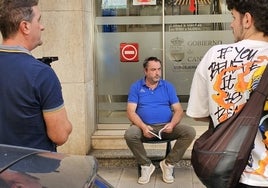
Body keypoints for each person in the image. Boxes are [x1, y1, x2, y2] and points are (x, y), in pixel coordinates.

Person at [186, 0, 268, 187]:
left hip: (232, 173)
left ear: (247, 19)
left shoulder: (215, 56)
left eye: (233, 17)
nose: (231, 24)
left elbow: (198, 114)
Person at [0, 0, 72, 151]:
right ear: (25, 26)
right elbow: (60, 135)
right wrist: (67, 126)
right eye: (38, 20)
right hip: (34, 171)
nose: (42, 26)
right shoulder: (41, 74)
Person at [124, 56, 196, 184]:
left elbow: (178, 110)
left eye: (159, 69)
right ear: (145, 71)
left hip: (166, 127)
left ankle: (168, 164)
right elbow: (130, 112)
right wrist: (143, 127)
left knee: (189, 132)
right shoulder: (136, 87)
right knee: (130, 134)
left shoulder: (168, 86)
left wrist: (172, 124)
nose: (157, 73)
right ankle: (146, 165)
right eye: (153, 70)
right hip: (144, 128)